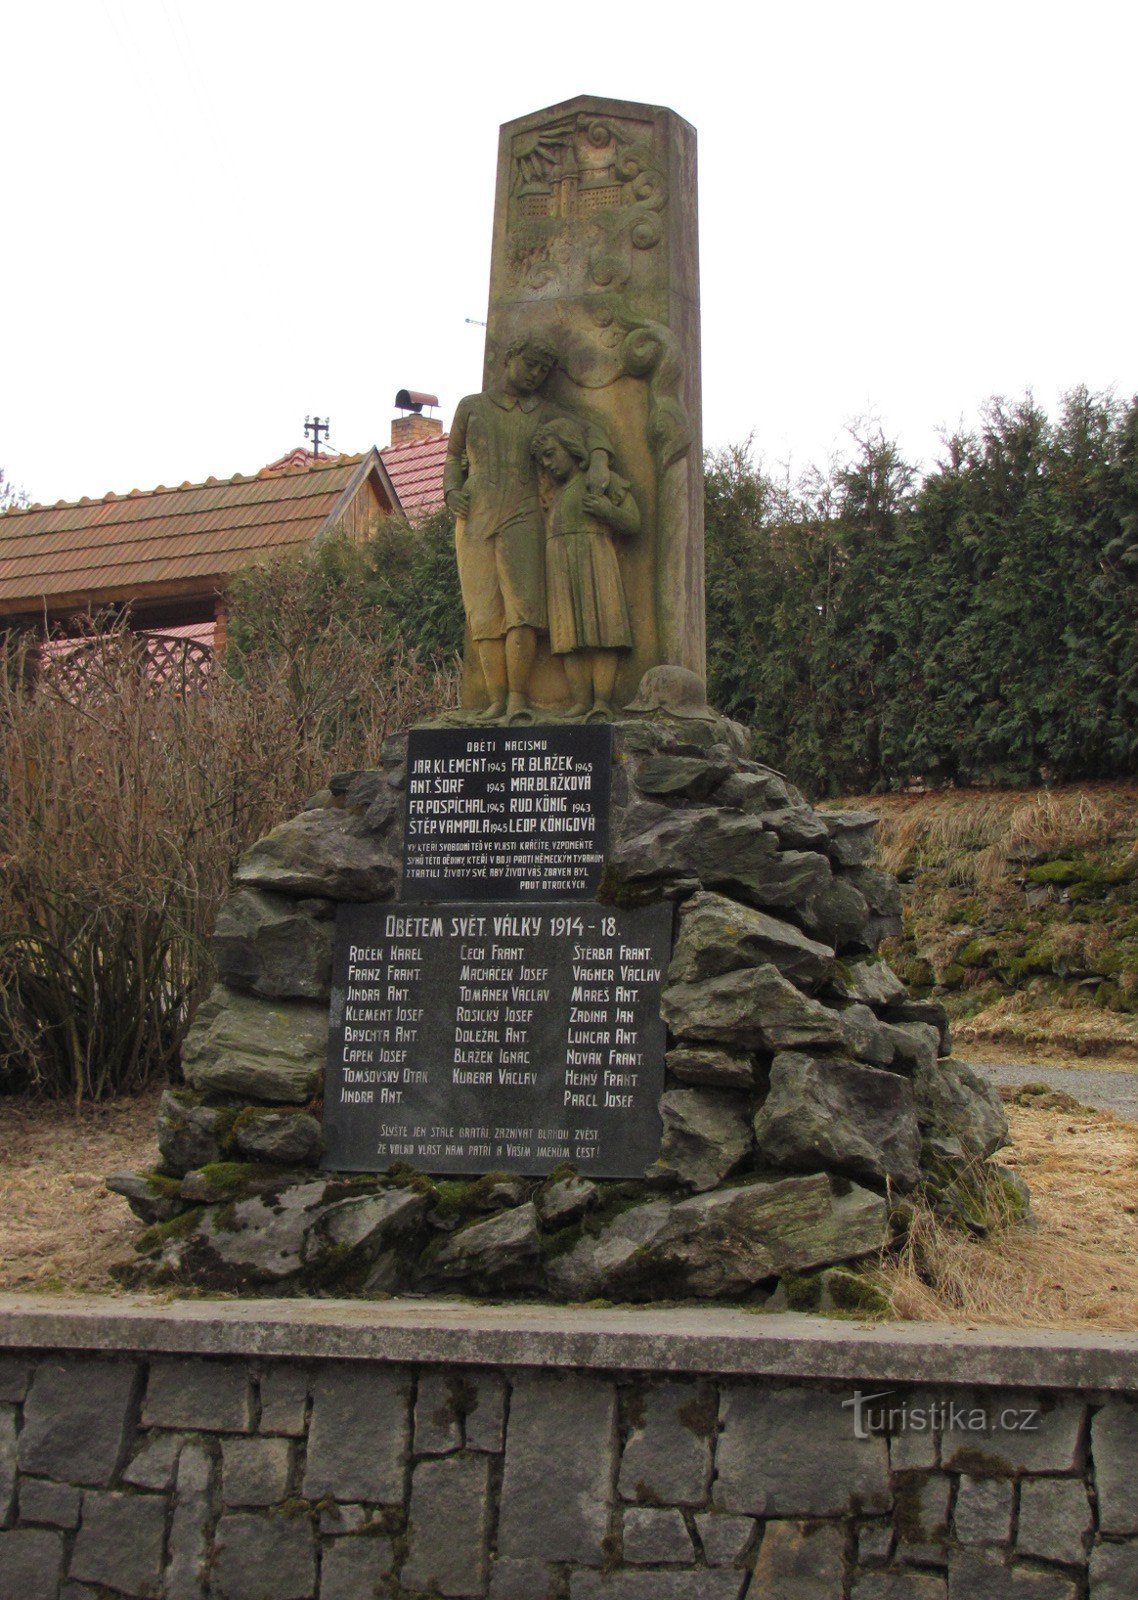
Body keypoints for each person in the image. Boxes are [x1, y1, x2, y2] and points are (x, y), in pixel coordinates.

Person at [444, 336, 611, 722]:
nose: (535, 375)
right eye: (530, 364)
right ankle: (494, 701)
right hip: (474, 517)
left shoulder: (547, 413)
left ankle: (519, 699)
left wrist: (599, 462)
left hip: (523, 515)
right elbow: (453, 457)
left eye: (543, 370)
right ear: (509, 357)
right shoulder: (471, 408)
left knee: (523, 609)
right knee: (484, 613)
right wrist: (451, 489)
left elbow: (592, 433)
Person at [530, 415, 639, 721]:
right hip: (560, 565)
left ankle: (602, 701)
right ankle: (580, 701)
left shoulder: (601, 481)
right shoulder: (552, 492)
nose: (548, 464)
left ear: (571, 446)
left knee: (604, 632)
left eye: (551, 454)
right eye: (542, 461)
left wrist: (607, 510)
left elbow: (633, 521)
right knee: (568, 638)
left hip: (595, 558)